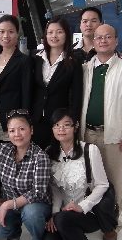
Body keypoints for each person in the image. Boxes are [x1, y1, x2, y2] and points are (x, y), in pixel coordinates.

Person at [80, 23, 122, 240]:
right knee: (88, 179)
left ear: (115, 41)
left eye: (108, 37)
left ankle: (112, 223)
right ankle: (89, 217)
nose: (103, 41)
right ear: (93, 41)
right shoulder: (86, 69)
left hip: (114, 136)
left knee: (114, 180)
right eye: (99, 37)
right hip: (87, 134)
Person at [43, 108, 111, 240]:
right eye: (56, 125)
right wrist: (54, 213)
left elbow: (103, 184)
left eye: (66, 125)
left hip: (90, 212)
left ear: (75, 127)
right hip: (64, 212)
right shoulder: (50, 153)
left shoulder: (89, 150)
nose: (61, 129)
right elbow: (55, 189)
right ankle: (73, 237)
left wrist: (82, 206)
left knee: (62, 220)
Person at [0, 110, 51, 240]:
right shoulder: (2, 150)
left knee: (31, 214)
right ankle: (15, 232)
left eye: (22, 129)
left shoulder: (40, 156)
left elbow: (38, 192)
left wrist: (7, 205)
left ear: (31, 130)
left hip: (35, 204)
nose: (17, 134)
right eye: (12, 130)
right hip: (9, 202)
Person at [31, 17, 83, 149]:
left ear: (66, 34)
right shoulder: (35, 58)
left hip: (60, 122)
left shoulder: (73, 62)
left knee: (57, 156)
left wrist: (73, 120)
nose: (54, 36)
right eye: (50, 32)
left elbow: (76, 95)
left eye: (59, 32)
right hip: (36, 119)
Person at [0, 15, 32, 151]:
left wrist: (24, 120)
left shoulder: (24, 60)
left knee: (14, 156)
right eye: (2, 31)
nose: (6, 35)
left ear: (17, 34)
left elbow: (27, 93)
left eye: (10, 31)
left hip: (13, 118)